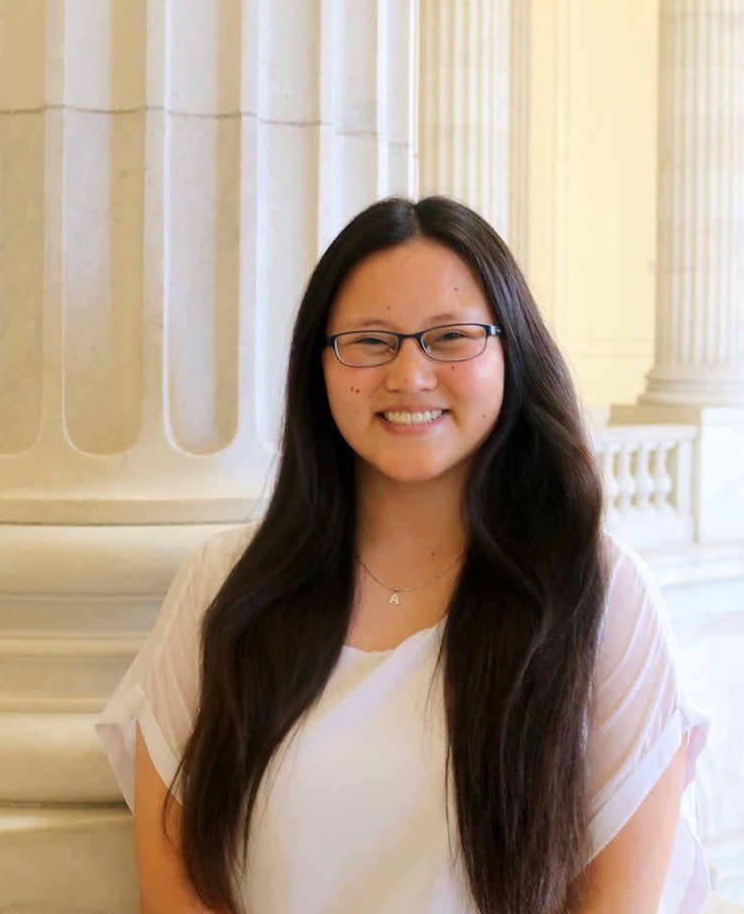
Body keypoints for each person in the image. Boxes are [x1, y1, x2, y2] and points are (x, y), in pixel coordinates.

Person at [96, 196, 710, 914]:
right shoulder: (222, 585)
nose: (410, 375)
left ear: (512, 352)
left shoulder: (603, 597)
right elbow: (172, 883)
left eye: (450, 337)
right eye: (369, 341)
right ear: (319, 367)